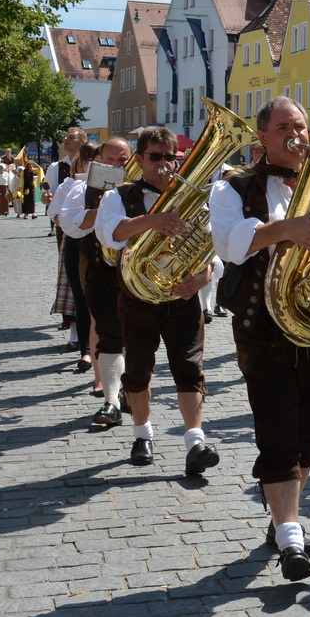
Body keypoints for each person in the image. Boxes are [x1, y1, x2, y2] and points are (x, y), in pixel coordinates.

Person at [209, 97, 310, 580]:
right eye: (284, 127)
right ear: (263, 137)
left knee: (309, 435)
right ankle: (291, 536)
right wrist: (286, 229)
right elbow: (229, 243)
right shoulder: (234, 187)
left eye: (302, 126)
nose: (296, 135)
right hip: (263, 329)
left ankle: (281, 521)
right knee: (276, 432)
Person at [96, 127, 217, 477]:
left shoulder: (191, 196)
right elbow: (110, 233)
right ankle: (142, 435)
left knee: (190, 369)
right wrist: (153, 221)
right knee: (137, 371)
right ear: (140, 160)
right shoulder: (118, 195)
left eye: (170, 157)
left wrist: (204, 277)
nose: (164, 164)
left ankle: (195, 442)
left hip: (182, 297)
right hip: (138, 298)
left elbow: (213, 247)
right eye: (155, 157)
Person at [61, 136, 132, 426]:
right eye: (109, 160)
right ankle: (109, 394)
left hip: (135, 269)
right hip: (99, 267)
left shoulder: (140, 188)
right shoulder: (82, 188)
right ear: (98, 160)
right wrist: (103, 209)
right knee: (104, 326)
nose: (115, 166)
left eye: (122, 161)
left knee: (134, 331)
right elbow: (69, 224)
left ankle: (129, 389)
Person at [51, 145, 99, 384]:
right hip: (77, 245)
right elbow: (58, 216)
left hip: (104, 246)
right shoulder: (71, 186)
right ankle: (86, 350)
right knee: (82, 300)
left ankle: (103, 355)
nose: (90, 166)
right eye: (85, 162)